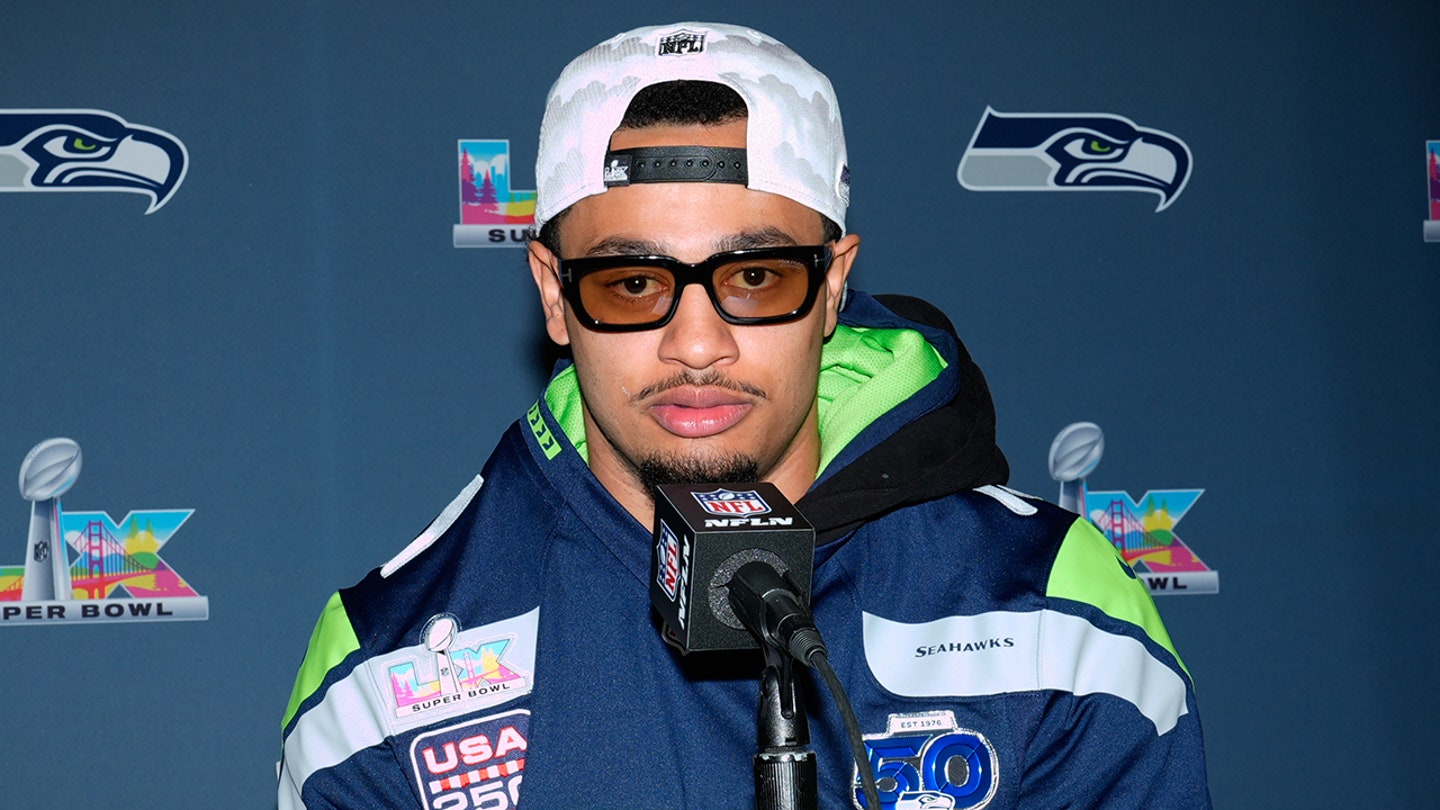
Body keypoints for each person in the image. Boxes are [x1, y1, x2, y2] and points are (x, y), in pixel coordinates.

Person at [278, 21, 1211, 809]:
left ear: (833, 284)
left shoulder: (1054, 612)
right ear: (554, 295)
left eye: (755, 277)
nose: (697, 345)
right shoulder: (384, 674)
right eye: (633, 282)